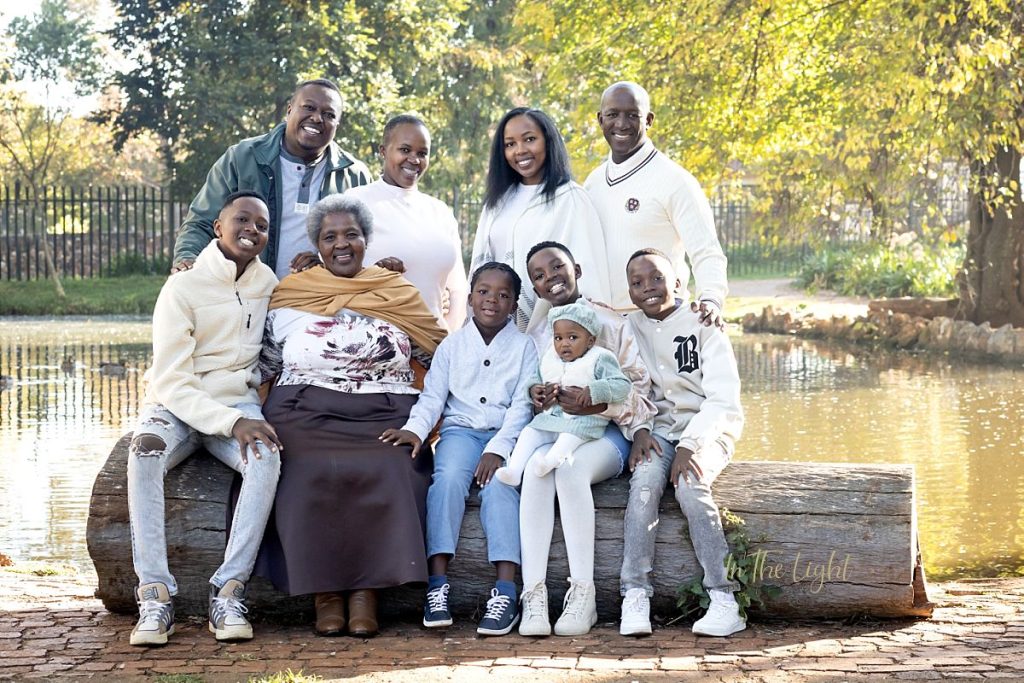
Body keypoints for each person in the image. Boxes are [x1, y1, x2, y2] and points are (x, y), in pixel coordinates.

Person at [256, 194, 446, 637]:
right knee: (301, 469)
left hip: (385, 412)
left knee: (392, 464)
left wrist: (425, 423)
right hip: (303, 411)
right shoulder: (291, 294)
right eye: (330, 237)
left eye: (351, 235)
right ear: (317, 246)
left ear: (366, 241)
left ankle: (366, 594)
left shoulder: (396, 291)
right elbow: (260, 364)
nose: (342, 244)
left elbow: (442, 355)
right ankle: (325, 594)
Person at [127, 191, 282, 646]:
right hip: (177, 408)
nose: (252, 229)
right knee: (144, 451)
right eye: (242, 220)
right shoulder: (183, 287)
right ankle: (154, 596)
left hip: (238, 404)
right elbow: (171, 380)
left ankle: (229, 591)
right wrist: (231, 423)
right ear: (218, 227)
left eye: (261, 224)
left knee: (267, 457)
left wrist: (240, 418)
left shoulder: (267, 282)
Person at [379, 262, 535, 636]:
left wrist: (497, 450)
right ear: (469, 297)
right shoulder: (453, 345)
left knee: (500, 487)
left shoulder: (526, 347)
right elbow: (433, 397)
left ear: (514, 304)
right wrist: (415, 431)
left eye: (503, 295)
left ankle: (506, 590)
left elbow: (522, 407)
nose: (491, 301)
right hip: (460, 433)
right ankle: (437, 585)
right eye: (483, 292)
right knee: (446, 479)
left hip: (505, 436)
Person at [516, 241, 655, 638]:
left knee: (570, 471)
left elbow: (640, 391)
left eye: (557, 267)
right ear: (535, 288)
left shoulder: (611, 323)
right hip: (560, 429)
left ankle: (583, 593)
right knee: (534, 471)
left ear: (576, 268)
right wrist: (536, 397)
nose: (550, 279)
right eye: (539, 276)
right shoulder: (541, 332)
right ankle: (535, 592)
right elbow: (531, 390)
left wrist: (594, 402)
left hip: (608, 434)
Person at [619, 248, 745, 638]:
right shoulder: (630, 327)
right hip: (658, 431)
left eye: (656, 278)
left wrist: (690, 445)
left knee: (691, 486)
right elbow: (629, 387)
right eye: (637, 283)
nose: (648, 288)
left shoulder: (704, 322)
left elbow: (723, 399)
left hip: (707, 430)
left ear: (677, 281)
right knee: (642, 488)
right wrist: (639, 430)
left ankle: (724, 598)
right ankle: (635, 594)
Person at [172, 78, 372, 280]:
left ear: (337, 123)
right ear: (289, 110)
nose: (317, 118)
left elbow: (366, 243)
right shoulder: (242, 158)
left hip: (319, 299)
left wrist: (325, 262)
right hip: (246, 292)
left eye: (328, 115)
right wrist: (187, 259)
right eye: (309, 107)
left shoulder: (354, 174)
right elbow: (201, 222)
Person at [584, 81, 728, 326]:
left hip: (658, 322)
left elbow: (706, 251)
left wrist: (711, 299)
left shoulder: (674, 180)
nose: (621, 124)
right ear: (600, 119)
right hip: (601, 324)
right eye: (612, 115)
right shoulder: (593, 182)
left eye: (632, 115)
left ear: (649, 120)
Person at [470, 107, 610, 330]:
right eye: (510, 144)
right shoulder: (497, 202)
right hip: (497, 325)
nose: (520, 150)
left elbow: (588, 274)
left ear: (548, 141)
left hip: (553, 328)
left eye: (530, 139)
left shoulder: (570, 198)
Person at [348, 114, 468, 330]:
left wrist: (449, 341)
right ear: (383, 151)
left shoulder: (439, 211)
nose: (414, 160)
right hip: (372, 344)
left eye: (422, 153)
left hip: (434, 346)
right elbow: (335, 277)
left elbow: (457, 288)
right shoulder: (353, 203)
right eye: (405, 150)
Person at [495, 302, 630, 486]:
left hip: (582, 423)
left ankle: (551, 461)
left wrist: (594, 391)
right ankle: (514, 470)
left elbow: (622, 385)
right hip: (551, 419)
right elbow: (535, 378)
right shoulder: (549, 358)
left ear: (590, 341)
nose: (564, 344)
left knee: (568, 438)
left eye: (573, 337)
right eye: (558, 338)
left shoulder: (599, 358)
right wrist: (534, 390)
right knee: (529, 432)